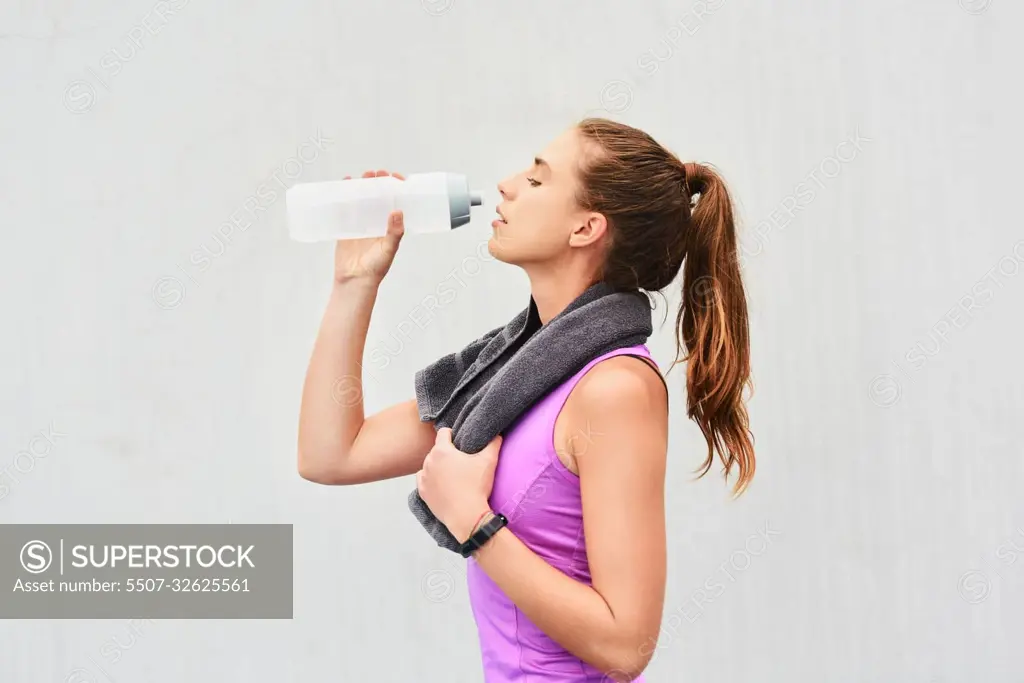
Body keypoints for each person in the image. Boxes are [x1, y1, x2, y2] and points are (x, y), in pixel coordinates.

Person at [296, 117, 755, 682]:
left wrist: (473, 522)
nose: (509, 185)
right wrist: (354, 283)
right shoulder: (514, 378)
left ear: (586, 228)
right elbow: (330, 454)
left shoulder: (615, 390)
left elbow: (627, 644)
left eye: (538, 181)